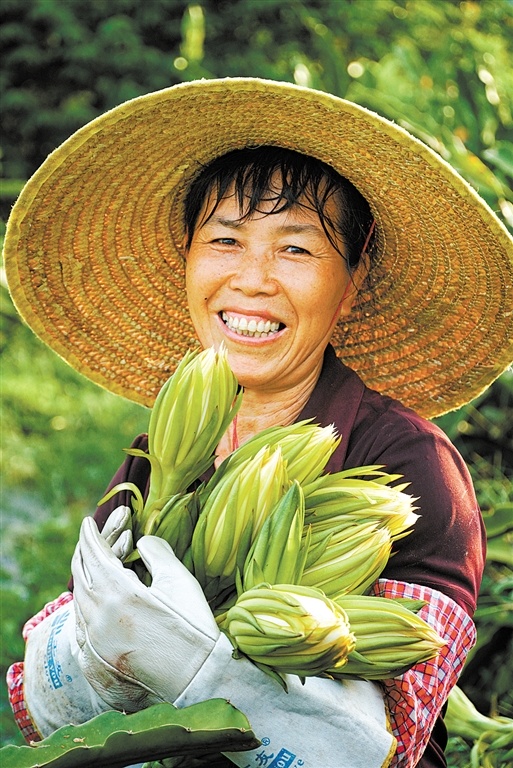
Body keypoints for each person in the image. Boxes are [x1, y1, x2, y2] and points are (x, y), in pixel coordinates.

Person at [4, 78, 513, 768]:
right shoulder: (159, 458)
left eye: (295, 249)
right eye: (225, 240)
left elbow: (389, 745)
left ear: (353, 280)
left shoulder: (411, 467)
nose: (252, 278)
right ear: (187, 259)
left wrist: (209, 667)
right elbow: (43, 712)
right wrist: (82, 658)